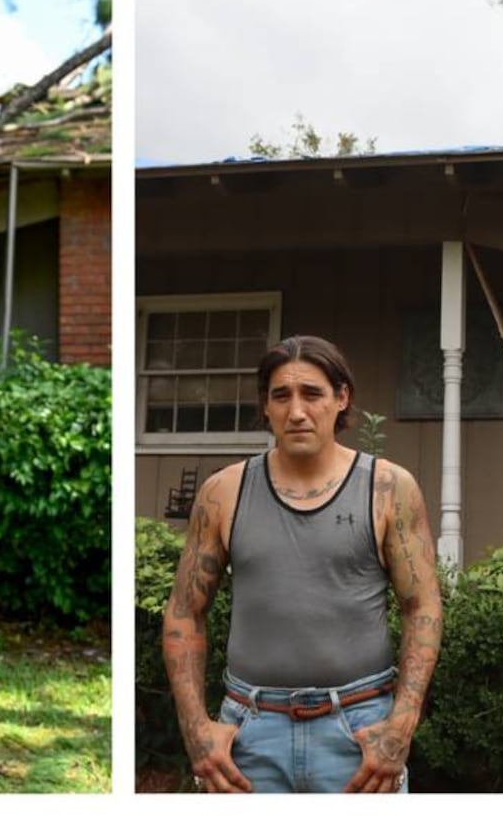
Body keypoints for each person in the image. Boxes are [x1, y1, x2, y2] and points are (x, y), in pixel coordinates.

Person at [163, 334, 443, 794]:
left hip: (358, 736)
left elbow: (423, 607)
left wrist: (400, 726)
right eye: (281, 396)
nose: (296, 411)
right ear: (265, 406)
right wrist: (197, 731)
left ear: (341, 398)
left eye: (312, 393)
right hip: (248, 741)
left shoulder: (388, 488)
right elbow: (183, 613)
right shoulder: (224, 493)